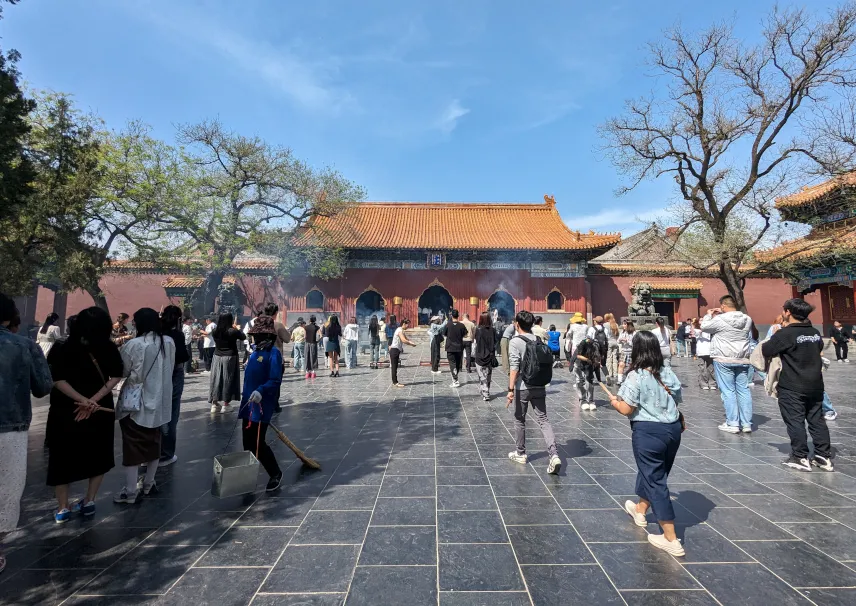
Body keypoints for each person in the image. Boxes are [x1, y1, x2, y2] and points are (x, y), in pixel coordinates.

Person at [608, 330, 685, 557]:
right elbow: (677, 398)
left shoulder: (636, 375)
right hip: (673, 430)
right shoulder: (667, 371)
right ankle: (641, 510)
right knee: (654, 472)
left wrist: (614, 401)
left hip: (648, 432)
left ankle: (671, 538)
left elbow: (626, 409)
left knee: (655, 479)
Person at [46, 306, 122, 522]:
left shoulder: (61, 346)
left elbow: (57, 379)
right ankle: (89, 501)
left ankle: (62, 508)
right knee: (98, 453)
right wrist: (93, 401)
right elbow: (115, 376)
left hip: (66, 408)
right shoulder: (108, 347)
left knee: (61, 456)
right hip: (99, 410)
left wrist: (82, 400)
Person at [1, 294, 52, 572]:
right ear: (8, 318)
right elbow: (43, 387)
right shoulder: (24, 345)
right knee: (6, 490)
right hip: (11, 426)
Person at [762, 299, 833, 472]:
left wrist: (776, 334)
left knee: (795, 421)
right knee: (817, 420)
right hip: (815, 384)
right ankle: (823, 456)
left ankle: (800, 457)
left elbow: (766, 350)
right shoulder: (814, 333)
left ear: (787, 312)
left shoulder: (785, 334)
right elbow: (818, 348)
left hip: (792, 384)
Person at [113, 308, 175, 504]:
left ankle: (130, 491)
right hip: (160, 403)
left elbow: (122, 371)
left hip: (135, 402)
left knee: (132, 446)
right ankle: (148, 483)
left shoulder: (134, 345)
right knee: (154, 443)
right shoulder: (169, 342)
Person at [507, 310, 561, 474]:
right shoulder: (538, 339)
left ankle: (520, 452)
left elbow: (514, 368)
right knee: (543, 420)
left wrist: (510, 390)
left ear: (517, 324)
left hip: (523, 387)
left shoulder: (515, 341)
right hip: (539, 384)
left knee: (519, 419)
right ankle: (554, 455)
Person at [240, 315, 284, 491]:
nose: (255, 337)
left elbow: (275, 380)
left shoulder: (273, 353)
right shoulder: (255, 352)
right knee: (247, 443)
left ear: (267, 336)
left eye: (258, 335)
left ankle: (275, 473)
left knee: (258, 442)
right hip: (248, 403)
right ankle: (248, 476)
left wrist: (261, 390)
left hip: (261, 403)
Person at [701, 296, 754, 434]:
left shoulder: (720, 319)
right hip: (742, 358)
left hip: (723, 358)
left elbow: (704, 327)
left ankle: (733, 423)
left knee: (728, 391)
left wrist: (708, 315)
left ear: (723, 306)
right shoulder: (747, 319)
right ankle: (747, 423)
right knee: (743, 390)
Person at [159, 305, 189, 466]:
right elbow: (182, 356)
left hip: (155, 376)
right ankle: (166, 454)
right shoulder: (176, 335)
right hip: (173, 374)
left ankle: (151, 451)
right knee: (171, 413)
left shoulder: (156, 334)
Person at [209, 312, 245, 414]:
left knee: (216, 379)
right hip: (230, 356)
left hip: (217, 356)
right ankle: (226, 404)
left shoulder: (214, 331)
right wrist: (237, 328)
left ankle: (214, 403)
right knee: (228, 379)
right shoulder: (232, 331)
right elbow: (243, 337)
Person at [442, 310, 469, 388]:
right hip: (459, 347)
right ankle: (455, 378)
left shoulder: (448, 325)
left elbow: (444, 334)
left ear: (451, 316)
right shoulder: (461, 325)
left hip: (450, 347)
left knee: (452, 363)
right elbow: (465, 334)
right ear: (458, 315)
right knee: (457, 363)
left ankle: (455, 381)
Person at [574, 338, 602, 410]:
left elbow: (597, 363)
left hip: (589, 363)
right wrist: (587, 359)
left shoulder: (596, 346)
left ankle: (591, 401)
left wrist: (599, 379)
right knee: (580, 381)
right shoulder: (583, 344)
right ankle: (583, 400)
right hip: (579, 363)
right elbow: (577, 355)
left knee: (589, 382)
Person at [474, 312, 497, 401]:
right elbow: (495, 341)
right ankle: (485, 390)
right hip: (490, 355)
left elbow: (476, 340)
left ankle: (485, 391)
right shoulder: (493, 330)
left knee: (481, 374)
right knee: (488, 375)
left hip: (480, 354)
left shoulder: (478, 330)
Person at [389, 319, 416, 387]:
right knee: (394, 367)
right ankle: (395, 382)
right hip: (394, 350)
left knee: (395, 366)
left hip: (396, 350)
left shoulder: (402, 330)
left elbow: (406, 339)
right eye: (407, 325)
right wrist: (411, 344)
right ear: (404, 324)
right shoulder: (399, 330)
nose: (408, 326)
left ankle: (395, 381)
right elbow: (403, 340)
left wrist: (411, 342)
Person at [695, 322, 716, 391]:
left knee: (711, 368)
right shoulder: (697, 330)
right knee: (702, 368)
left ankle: (712, 383)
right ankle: (703, 383)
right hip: (701, 352)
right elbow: (698, 334)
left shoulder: (709, 331)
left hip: (710, 351)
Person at [617, 320, 636, 384]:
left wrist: (627, 341)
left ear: (628, 325)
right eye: (623, 324)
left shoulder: (633, 333)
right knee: (621, 365)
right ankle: (619, 380)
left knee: (630, 366)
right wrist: (620, 340)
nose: (623, 325)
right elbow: (618, 341)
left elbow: (634, 343)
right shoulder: (622, 332)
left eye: (625, 324)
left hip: (631, 351)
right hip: (623, 351)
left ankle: (630, 379)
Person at [603, 313, 620, 382]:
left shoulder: (605, 325)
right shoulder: (616, 324)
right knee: (615, 358)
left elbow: (605, 335)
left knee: (609, 358)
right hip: (615, 342)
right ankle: (615, 373)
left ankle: (610, 373)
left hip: (609, 342)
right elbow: (618, 334)